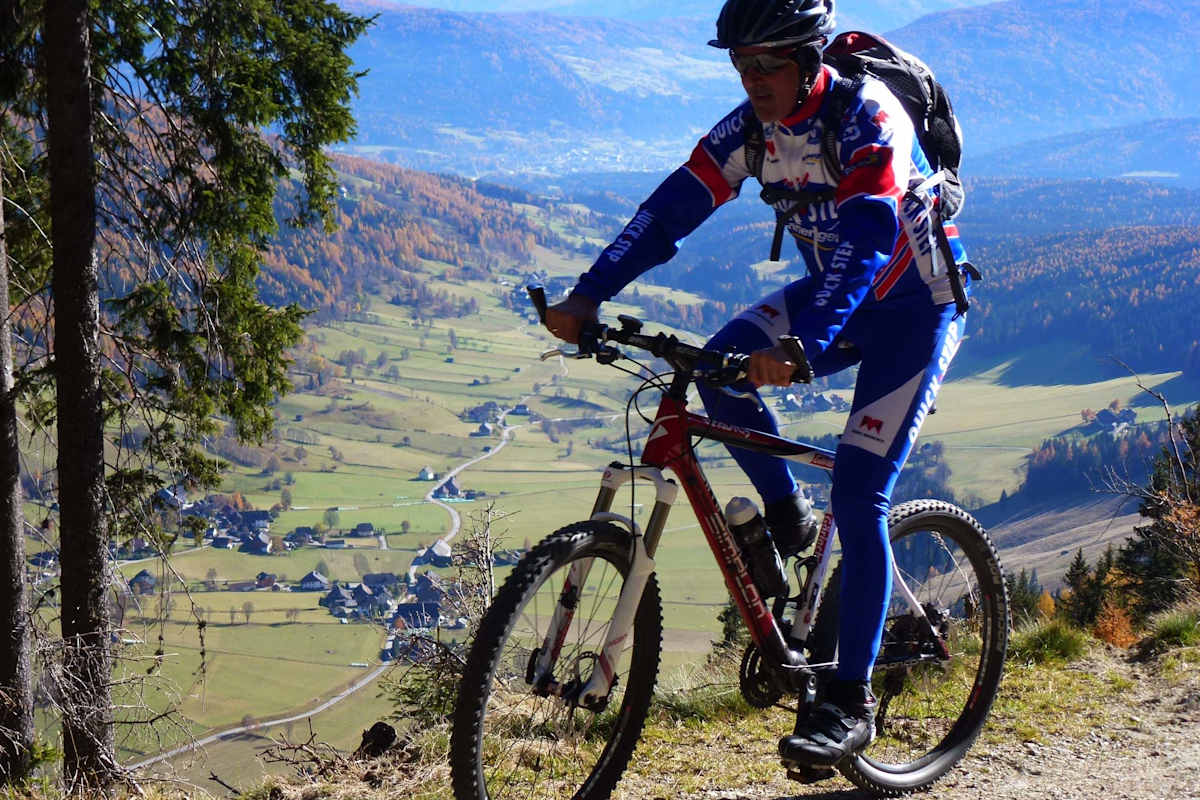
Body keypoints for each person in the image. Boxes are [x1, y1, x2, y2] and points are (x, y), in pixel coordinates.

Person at [543, 0, 969, 768]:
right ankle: (786, 514)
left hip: (913, 308)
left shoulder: (867, 118)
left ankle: (848, 700)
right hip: (834, 299)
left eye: (769, 61)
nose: (753, 78)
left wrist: (808, 342)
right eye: (741, 63)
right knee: (720, 366)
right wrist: (590, 292)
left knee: (862, 490)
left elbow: (871, 234)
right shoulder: (749, 129)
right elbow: (673, 205)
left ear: (810, 58)